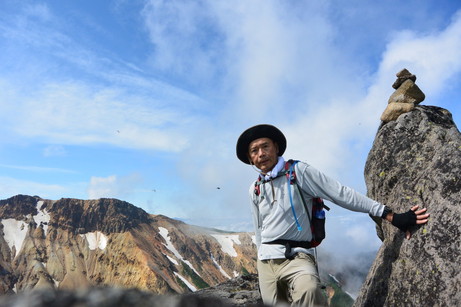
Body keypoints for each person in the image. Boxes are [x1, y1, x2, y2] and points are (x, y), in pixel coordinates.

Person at [236, 124, 430, 307]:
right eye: (254, 151)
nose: (261, 153)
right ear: (250, 158)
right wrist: (261, 256)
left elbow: (340, 193)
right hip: (266, 262)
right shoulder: (255, 188)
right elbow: (259, 227)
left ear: (276, 148)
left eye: (265, 146)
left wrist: (389, 215)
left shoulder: (298, 172)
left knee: (309, 291)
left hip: (297, 256)